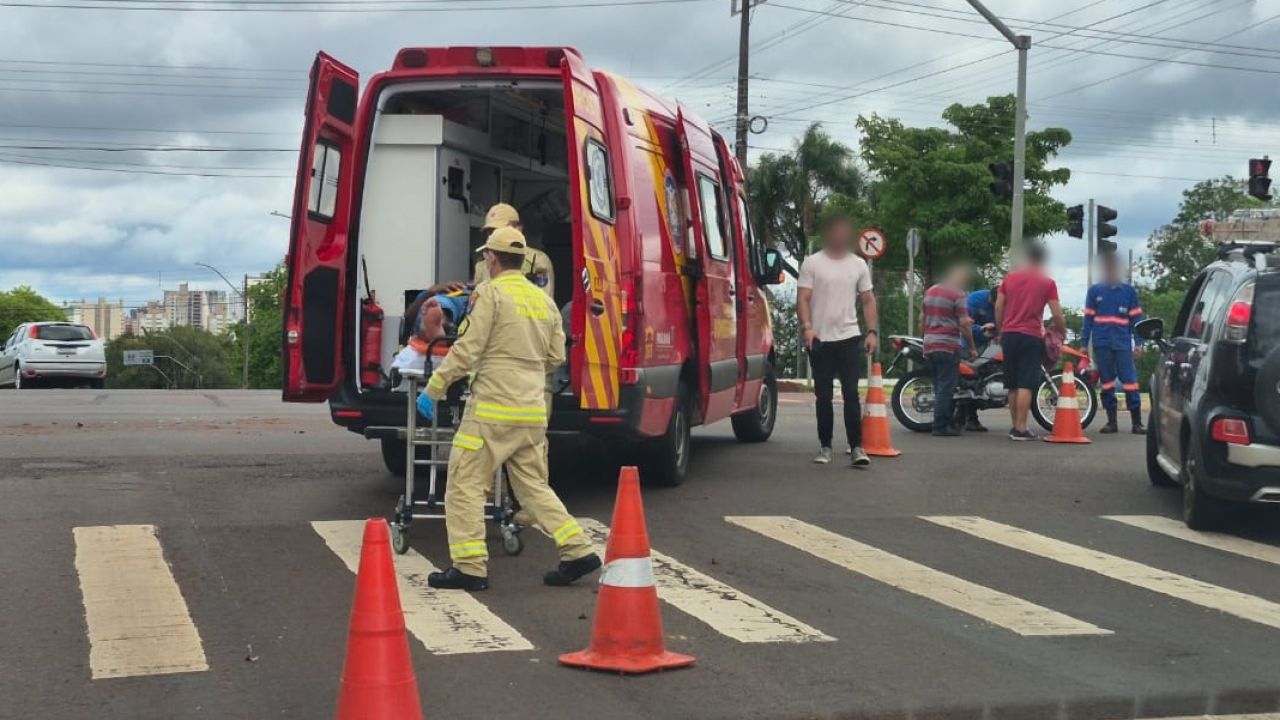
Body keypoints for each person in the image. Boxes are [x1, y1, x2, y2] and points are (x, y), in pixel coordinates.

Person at [424, 226, 600, 591]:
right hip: (532, 411)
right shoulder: (543, 300)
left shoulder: (490, 294)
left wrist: (435, 388)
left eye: (485, 256)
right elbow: (555, 357)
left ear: (491, 257)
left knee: (464, 485)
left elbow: (468, 348)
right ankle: (577, 550)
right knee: (534, 487)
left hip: (491, 411)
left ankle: (470, 567)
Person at [797, 213, 879, 468]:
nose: (840, 236)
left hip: (849, 336)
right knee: (823, 395)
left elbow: (867, 300)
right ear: (829, 234)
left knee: (851, 393)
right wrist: (807, 328)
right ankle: (825, 446)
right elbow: (802, 298)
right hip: (820, 338)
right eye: (836, 231)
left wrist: (872, 332)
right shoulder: (812, 263)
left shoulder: (858, 264)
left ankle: (856, 446)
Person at [995, 242, 1066, 441]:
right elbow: (1057, 313)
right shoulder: (1047, 283)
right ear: (1042, 259)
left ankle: (1014, 427)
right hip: (1031, 335)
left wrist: (1001, 330)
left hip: (1009, 335)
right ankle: (1021, 428)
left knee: (1012, 383)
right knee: (1026, 382)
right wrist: (1061, 329)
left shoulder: (1009, 278)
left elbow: (999, 307)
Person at [1081, 252, 1146, 435]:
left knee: (1130, 381)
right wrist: (1084, 344)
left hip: (1123, 344)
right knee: (1107, 382)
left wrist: (1139, 343)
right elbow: (1088, 320)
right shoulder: (1095, 292)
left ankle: (1137, 422)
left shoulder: (1128, 292)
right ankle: (1112, 421)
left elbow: (1137, 320)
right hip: (1102, 343)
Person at [921, 265, 978, 437]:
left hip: (929, 343)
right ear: (962, 280)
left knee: (939, 385)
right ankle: (940, 425)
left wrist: (924, 338)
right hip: (947, 345)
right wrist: (972, 347)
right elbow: (965, 324)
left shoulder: (931, 291)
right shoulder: (958, 294)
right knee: (946, 386)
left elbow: (922, 318)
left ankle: (943, 421)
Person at [472, 203, 556, 299]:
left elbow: (543, 303)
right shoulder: (482, 264)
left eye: (500, 231)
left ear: (518, 229)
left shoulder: (537, 261)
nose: (494, 236)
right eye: (490, 232)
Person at [957, 285, 997, 432]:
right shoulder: (975, 300)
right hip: (969, 342)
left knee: (985, 375)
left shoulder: (1006, 301)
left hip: (990, 344)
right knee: (971, 379)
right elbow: (964, 323)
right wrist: (981, 328)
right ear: (990, 298)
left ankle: (968, 417)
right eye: (994, 304)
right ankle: (964, 417)